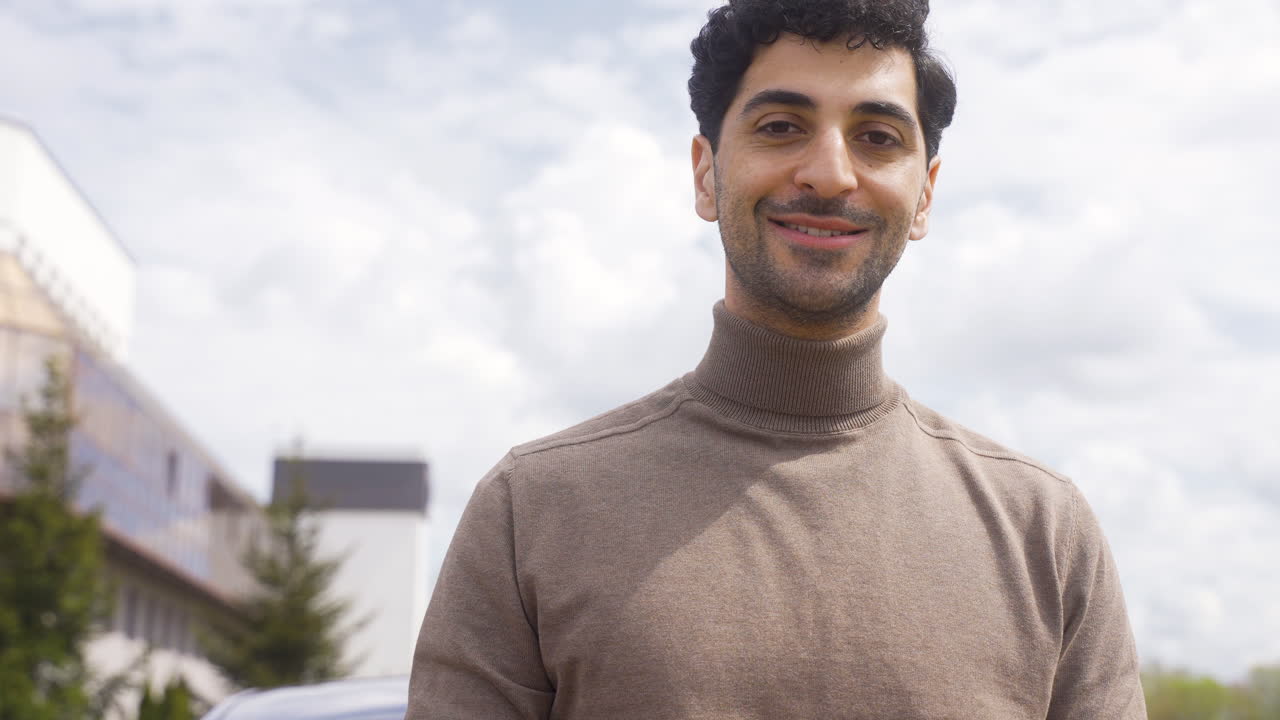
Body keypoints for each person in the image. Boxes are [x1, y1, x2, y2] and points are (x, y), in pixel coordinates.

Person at [405, 0, 1147, 717]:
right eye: (782, 126)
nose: (829, 173)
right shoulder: (530, 512)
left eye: (878, 137)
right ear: (706, 173)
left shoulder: (1044, 532)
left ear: (925, 195)